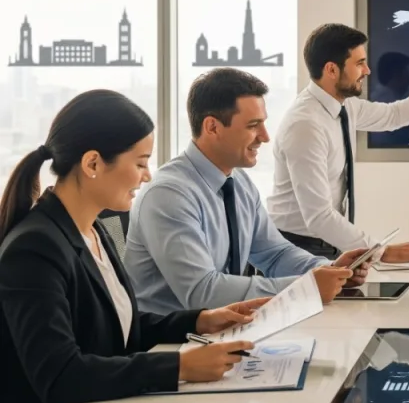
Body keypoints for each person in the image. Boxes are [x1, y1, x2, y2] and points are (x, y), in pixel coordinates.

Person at [0, 91, 267, 403]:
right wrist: (179, 367)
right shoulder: (34, 248)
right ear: (93, 164)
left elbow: (116, 328)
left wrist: (199, 320)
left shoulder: (94, 229)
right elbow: (60, 374)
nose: (147, 176)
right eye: (140, 163)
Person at [124, 68, 368, 314]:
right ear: (212, 127)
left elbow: (274, 253)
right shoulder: (169, 195)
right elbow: (201, 293)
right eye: (253, 126)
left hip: (222, 329)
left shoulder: (238, 182)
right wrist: (305, 287)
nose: (265, 137)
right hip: (171, 342)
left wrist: (329, 269)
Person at [267, 24, 409, 260]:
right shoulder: (305, 126)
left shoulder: (344, 105)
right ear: (331, 70)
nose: (368, 70)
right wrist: (381, 251)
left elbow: (393, 115)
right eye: (359, 63)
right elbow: (318, 217)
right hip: (296, 248)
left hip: (324, 242)